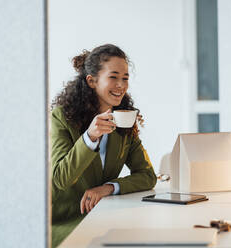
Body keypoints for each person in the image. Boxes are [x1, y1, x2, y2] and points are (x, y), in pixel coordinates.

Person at [50, 44, 157, 247]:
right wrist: (90, 137)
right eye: (114, 77)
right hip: (66, 222)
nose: (121, 85)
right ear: (92, 80)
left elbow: (147, 175)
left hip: (104, 217)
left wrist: (108, 188)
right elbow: (60, 179)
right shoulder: (61, 119)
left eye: (125, 78)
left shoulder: (124, 121)